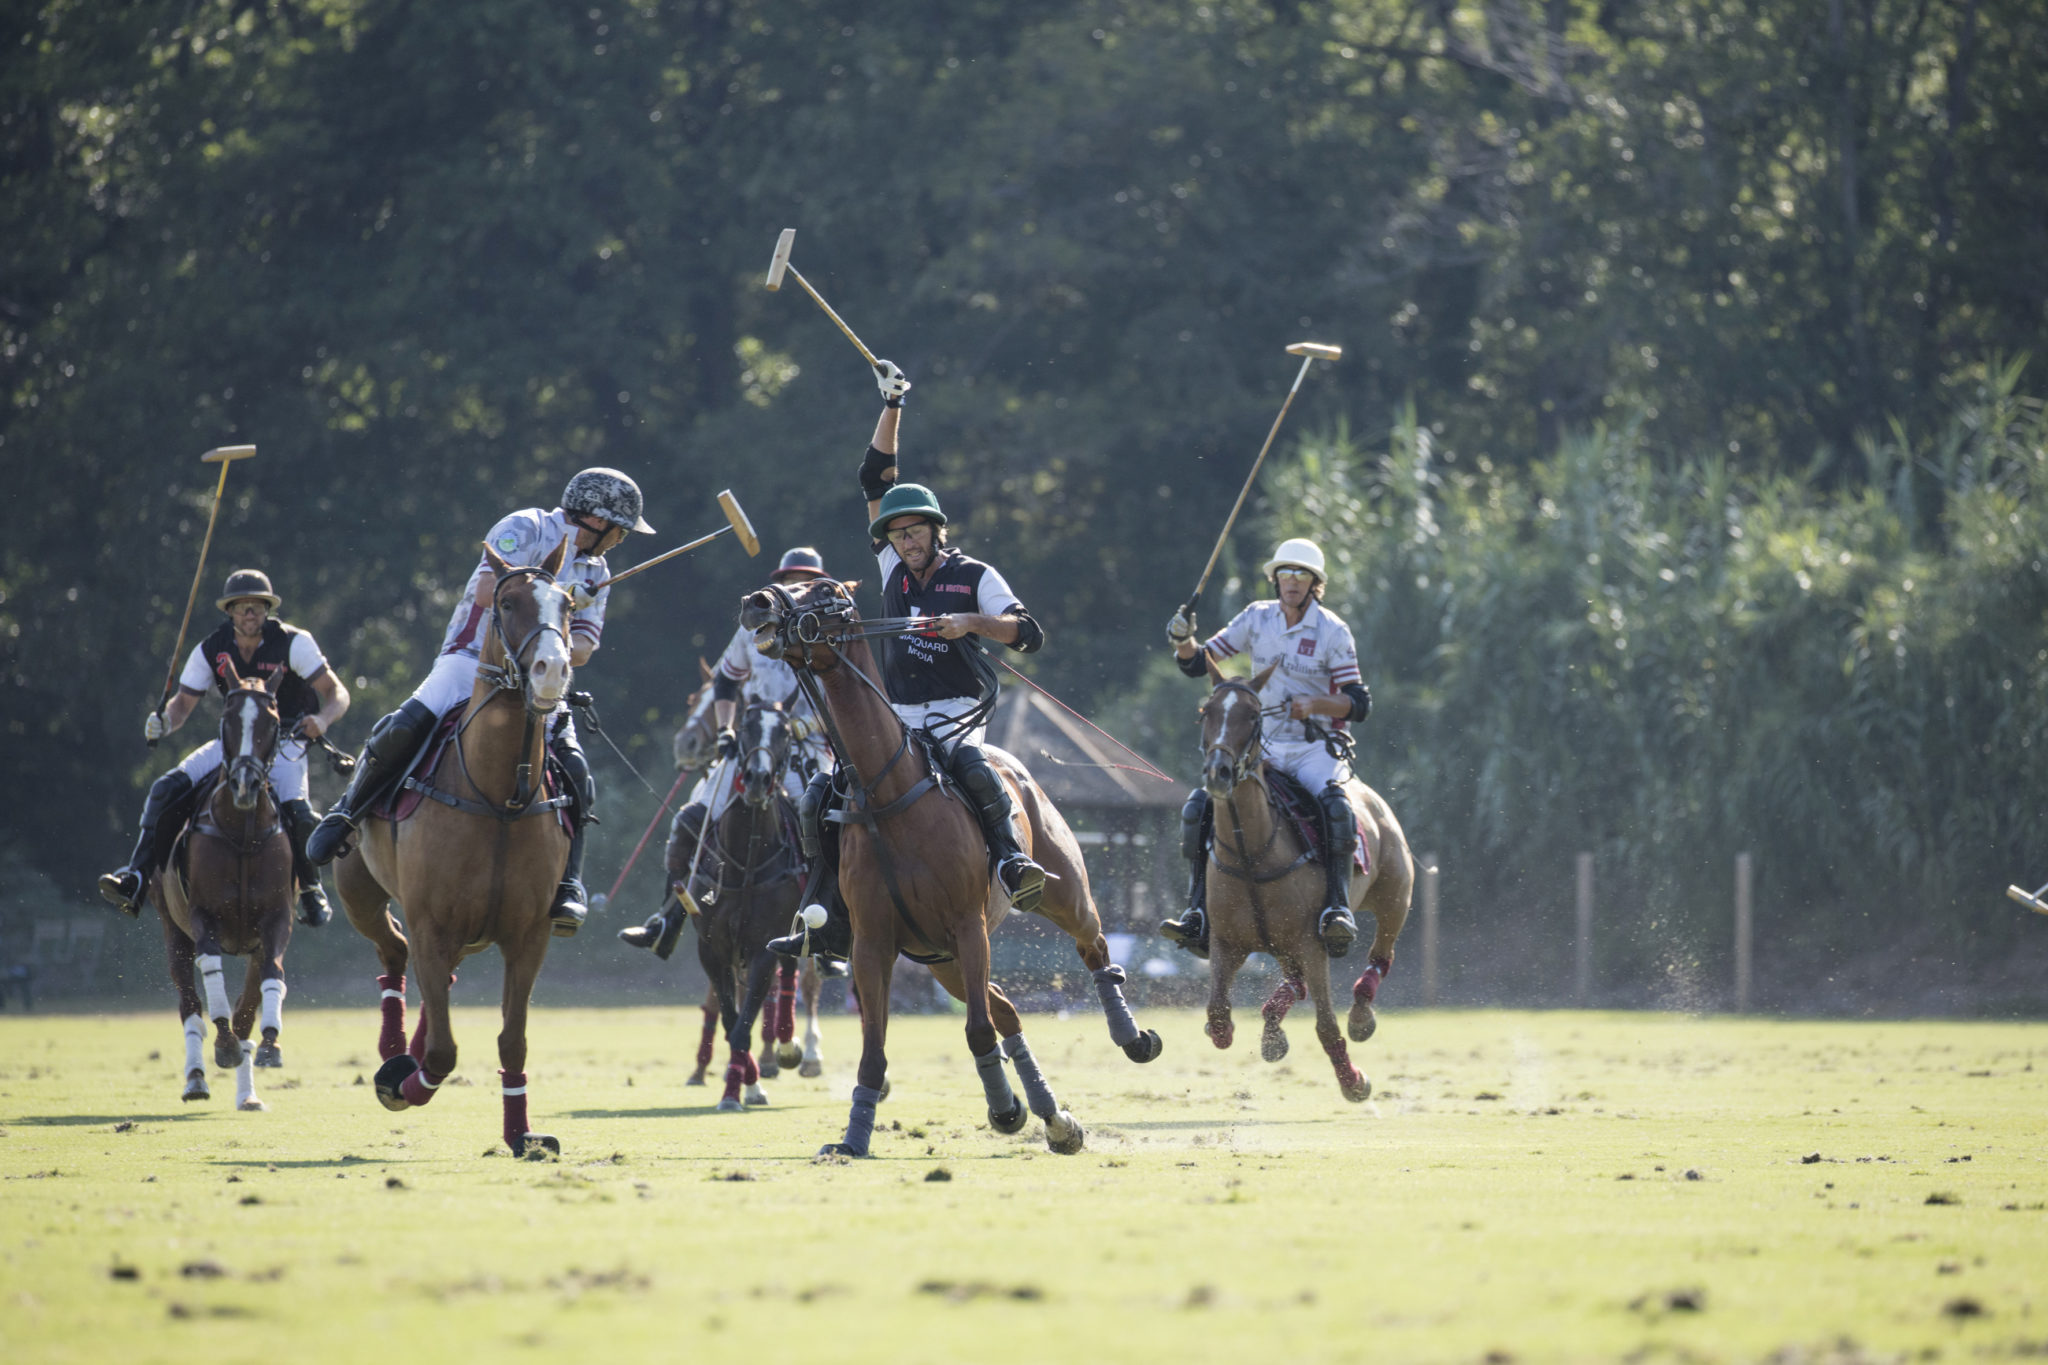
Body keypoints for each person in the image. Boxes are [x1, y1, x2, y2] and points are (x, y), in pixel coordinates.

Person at [767, 361, 1047, 962]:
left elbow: (1028, 633)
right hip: (898, 713)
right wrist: (892, 405)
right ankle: (824, 913)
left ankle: (1010, 862)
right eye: (897, 535)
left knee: (973, 767)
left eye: (915, 532)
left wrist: (972, 623)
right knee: (822, 791)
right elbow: (875, 476)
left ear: (935, 531)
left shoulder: (975, 575)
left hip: (957, 709)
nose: (906, 542)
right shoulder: (891, 564)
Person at [304, 468, 655, 936]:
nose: (621, 540)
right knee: (402, 727)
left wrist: (564, 619)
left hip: (537, 675)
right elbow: (489, 590)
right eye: (620, 530)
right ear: (595, 518)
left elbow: (585, 650)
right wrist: (560, 592)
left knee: (575, 768)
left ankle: (569, 881)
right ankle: (347, 812)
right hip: (472, 660)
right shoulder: (526, 527)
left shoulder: (598, 571)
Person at [98, 570, 351, 927]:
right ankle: (136, 878)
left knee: (300, 813)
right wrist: (164, 722)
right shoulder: (212, 648)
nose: (250, 613)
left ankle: (310, 889)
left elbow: (337, 693)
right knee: (164, 789)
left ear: (267, 610)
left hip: (284, 743)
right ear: (229, 611)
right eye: (242, 607)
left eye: (257, 606)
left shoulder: (294, 643)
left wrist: (323, 719)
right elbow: (183, 704)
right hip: (232, 745)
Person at [1160, 537, 1372, 959]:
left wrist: (1314, 704)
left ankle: (1337, 907)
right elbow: (1197, 663)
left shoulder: (1332, 631)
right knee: (1199, 805)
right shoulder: (1257, 617)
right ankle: (1197, 911)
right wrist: (1183, 639)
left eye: (1301, 575)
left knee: (1336, 807)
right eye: (1285, 573)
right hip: (1261, 747)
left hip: (1314, 747)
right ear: (1276, 579)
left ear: (1314, 584)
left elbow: (1359, 703)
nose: (1292, 581)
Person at [619, 547, 835, 952]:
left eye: (803, 584)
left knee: (825, 824)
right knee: (691, 818)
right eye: (789, 583)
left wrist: (805, 725)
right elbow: (725, 681)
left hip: (805, 746)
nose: (795, 590)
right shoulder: (753, 630)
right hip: (751, 745)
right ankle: (667, 918)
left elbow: (844, 698)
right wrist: (724, 731)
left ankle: (826, 930)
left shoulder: (826, 631)